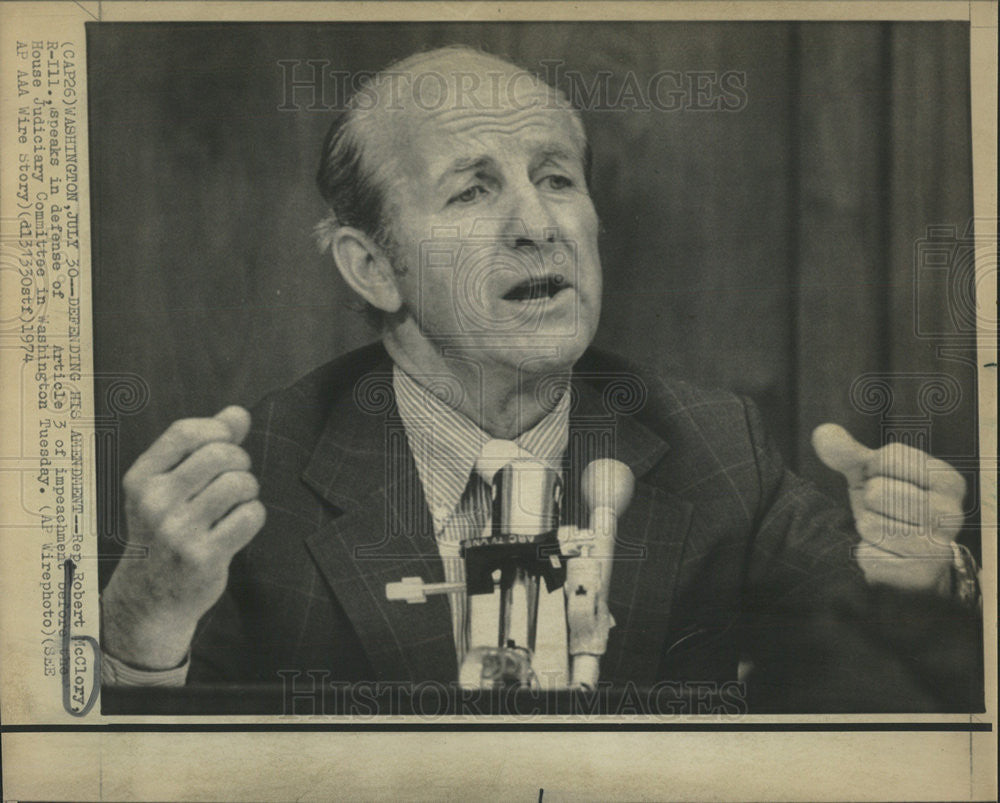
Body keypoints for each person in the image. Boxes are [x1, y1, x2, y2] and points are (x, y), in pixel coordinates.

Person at [99, 46, 981, 711]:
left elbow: (887, 688)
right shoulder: (256, 489)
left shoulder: (714, 448)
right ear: (373, 267)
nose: (537, 224)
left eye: (556, 177)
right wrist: (143, 628)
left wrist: (921, 581)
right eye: (473, 192)